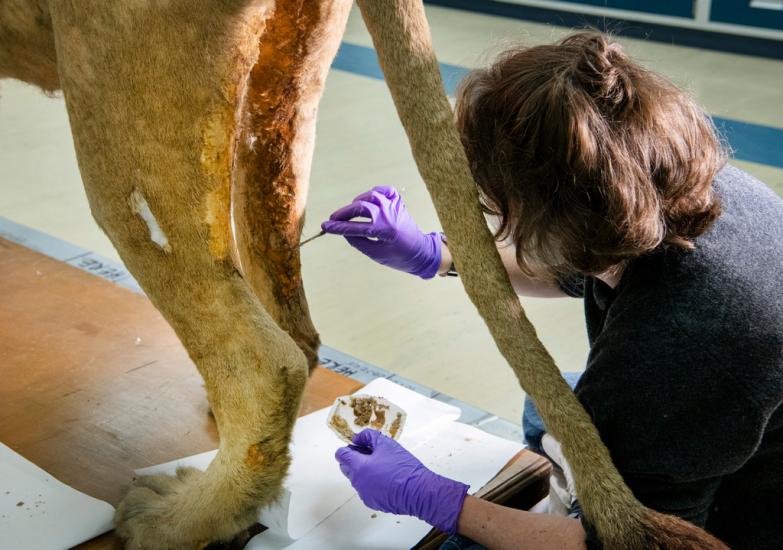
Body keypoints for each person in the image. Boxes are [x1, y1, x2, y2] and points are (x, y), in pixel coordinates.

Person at [322, 32, 783, 550]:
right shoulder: (684, 191)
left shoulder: (661, 361)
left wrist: (440, 502)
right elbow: (573, 266)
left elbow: (621, 544)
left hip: (739, 518)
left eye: (503, 209)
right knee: (545, 412)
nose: (499, 220)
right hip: (727, 423)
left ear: (558, 221)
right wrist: (437, 255)